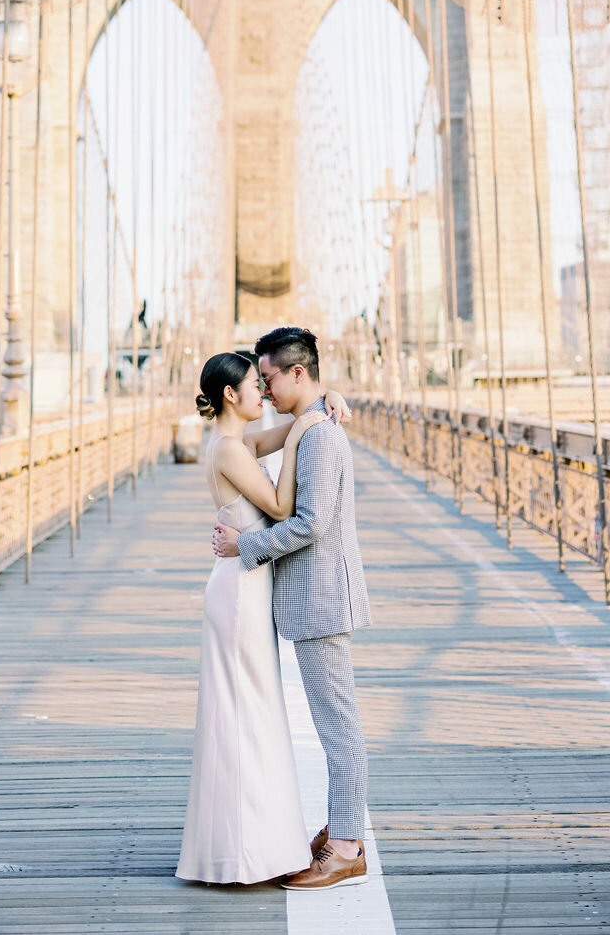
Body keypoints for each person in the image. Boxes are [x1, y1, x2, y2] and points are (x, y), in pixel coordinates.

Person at [176, 351, 352, 885]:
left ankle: (251, 845)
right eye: (256, 385)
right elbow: (280, 506)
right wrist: (302, 437)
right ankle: (245, 853)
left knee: (249, 714)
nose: (265, 394)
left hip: (243, 587)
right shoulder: (230, 450)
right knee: (244, 718)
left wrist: (326, 403)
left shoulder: (238, 443)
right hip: (237, 592)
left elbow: (294, 424)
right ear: (231, 395)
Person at [213, 326, 371, 892]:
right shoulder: (311, 427)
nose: (266, 388)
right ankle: (342, 830)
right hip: (311, 598)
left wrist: (244, 547)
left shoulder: (323, 437)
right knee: (336, 724)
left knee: (339, 728)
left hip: (322, 597)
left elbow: (312, 523)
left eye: (270, 377)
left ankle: (348, 848)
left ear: (297, 373)